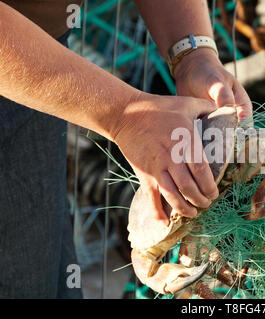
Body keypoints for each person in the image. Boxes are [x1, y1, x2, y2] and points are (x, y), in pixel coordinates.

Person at [0, 0, 252, 298]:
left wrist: (193, 54)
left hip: (42, 57)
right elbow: (149, 266)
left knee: (50, 264)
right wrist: (126, 114)